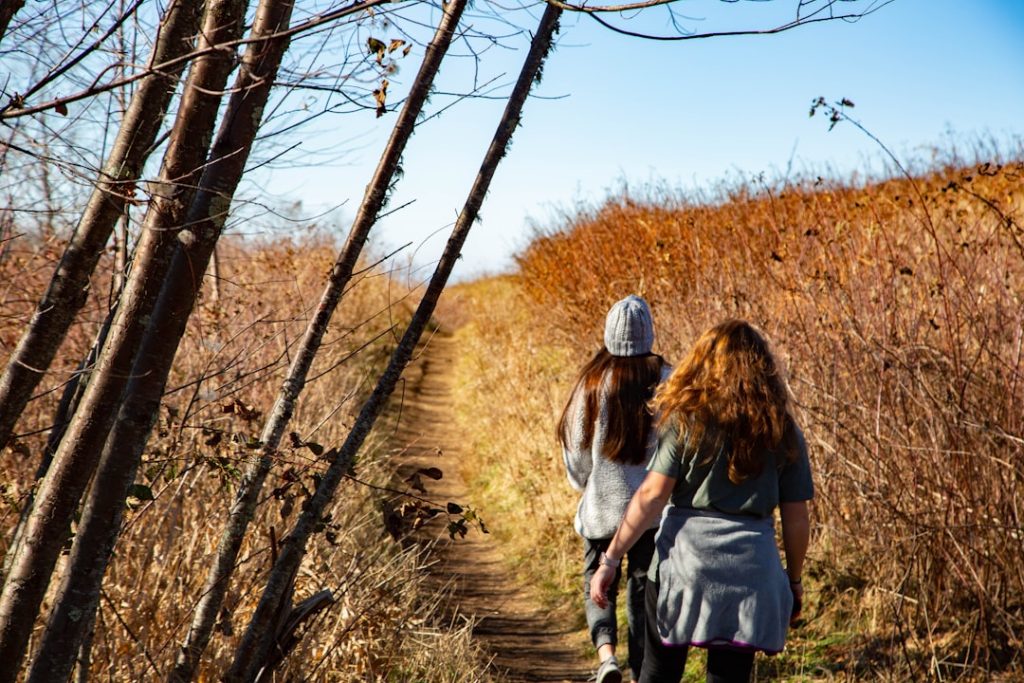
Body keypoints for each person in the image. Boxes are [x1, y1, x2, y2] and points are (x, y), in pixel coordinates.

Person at [590, 320, 813, 683]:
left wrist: (611, 560)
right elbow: (797, 517)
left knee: (658, 674)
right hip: (751, 573)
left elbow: (651, 495)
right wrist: (794, 580)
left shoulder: (686, 420)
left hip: (684, 567)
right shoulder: (782, 429)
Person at [558, 295, 672, 683]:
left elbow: (575, 448)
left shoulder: (592, 381)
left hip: (601, 508)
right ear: (649, 333)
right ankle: (641, 672)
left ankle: (607, 657)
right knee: (643, 592)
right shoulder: (668, 380)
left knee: (596, 582)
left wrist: (584, 483)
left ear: (608, 333)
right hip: (652, 516)